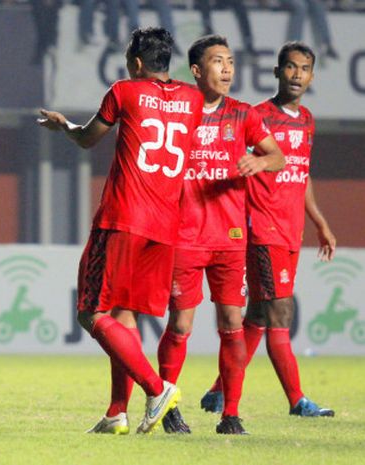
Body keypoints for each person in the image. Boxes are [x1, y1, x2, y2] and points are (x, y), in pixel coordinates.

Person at [38, 27, 204, 435]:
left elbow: (87, 139)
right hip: (164, 227)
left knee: (90, 312)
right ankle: (116, 412)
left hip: (124, 218)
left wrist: (64, 126)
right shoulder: (193, 99)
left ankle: (155, 388)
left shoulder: (125, 91)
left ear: (136, 63)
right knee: (123, 314)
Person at [200, 41, 337, 418]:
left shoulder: (307, 120)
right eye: (289, 67)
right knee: (280, 315)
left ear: (311, 76)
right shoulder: (256, 117)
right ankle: (297, 401)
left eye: (304, 69)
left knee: (258, 317)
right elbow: (234, 163)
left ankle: (218, 389)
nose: (296, 75)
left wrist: (320, 222)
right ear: (276, 72)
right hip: (263, 230)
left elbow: (300, 174)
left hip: (292, 232)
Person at [156, 35, 285, 436]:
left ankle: (231, 414)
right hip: (184, 237)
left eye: (230, 61)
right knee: (180, 326)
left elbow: (278, 156)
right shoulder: (180, 111)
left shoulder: (243, 114)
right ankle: (168, 406)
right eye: (217, 61)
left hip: (230, 239)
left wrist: (259, 160)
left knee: (232, 323)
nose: (227, 69)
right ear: (197, 71)